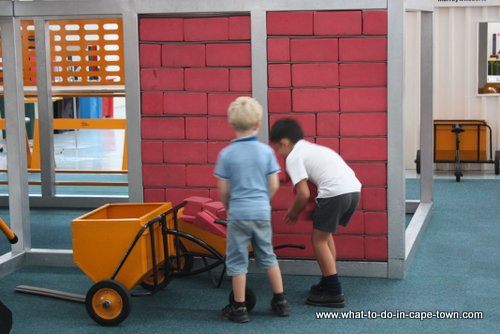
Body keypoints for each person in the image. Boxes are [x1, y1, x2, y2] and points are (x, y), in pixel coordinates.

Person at [270, 118, 361, 308]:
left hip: (334, 194)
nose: (279, 153)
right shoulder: (313, 148)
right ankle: (328, 280)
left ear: (284, 143)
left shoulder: (293, 156)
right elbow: (302, 178)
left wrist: (293, 212)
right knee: (325, 236)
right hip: (353, 191)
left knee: (318, 240)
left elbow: (302, 194)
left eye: (278, 149)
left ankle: (334, 292)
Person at [214, 97, 289, 323]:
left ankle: (239, 307)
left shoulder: (226, 154)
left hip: (238, 214)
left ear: (231, 123)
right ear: (258, 123)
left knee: (237, 261)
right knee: (267, 256)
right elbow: (274, 184)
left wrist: (229, 207)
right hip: (261, 213)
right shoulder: (266, 152)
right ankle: (281, 301)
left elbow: (223, 190)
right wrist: (262, 201)